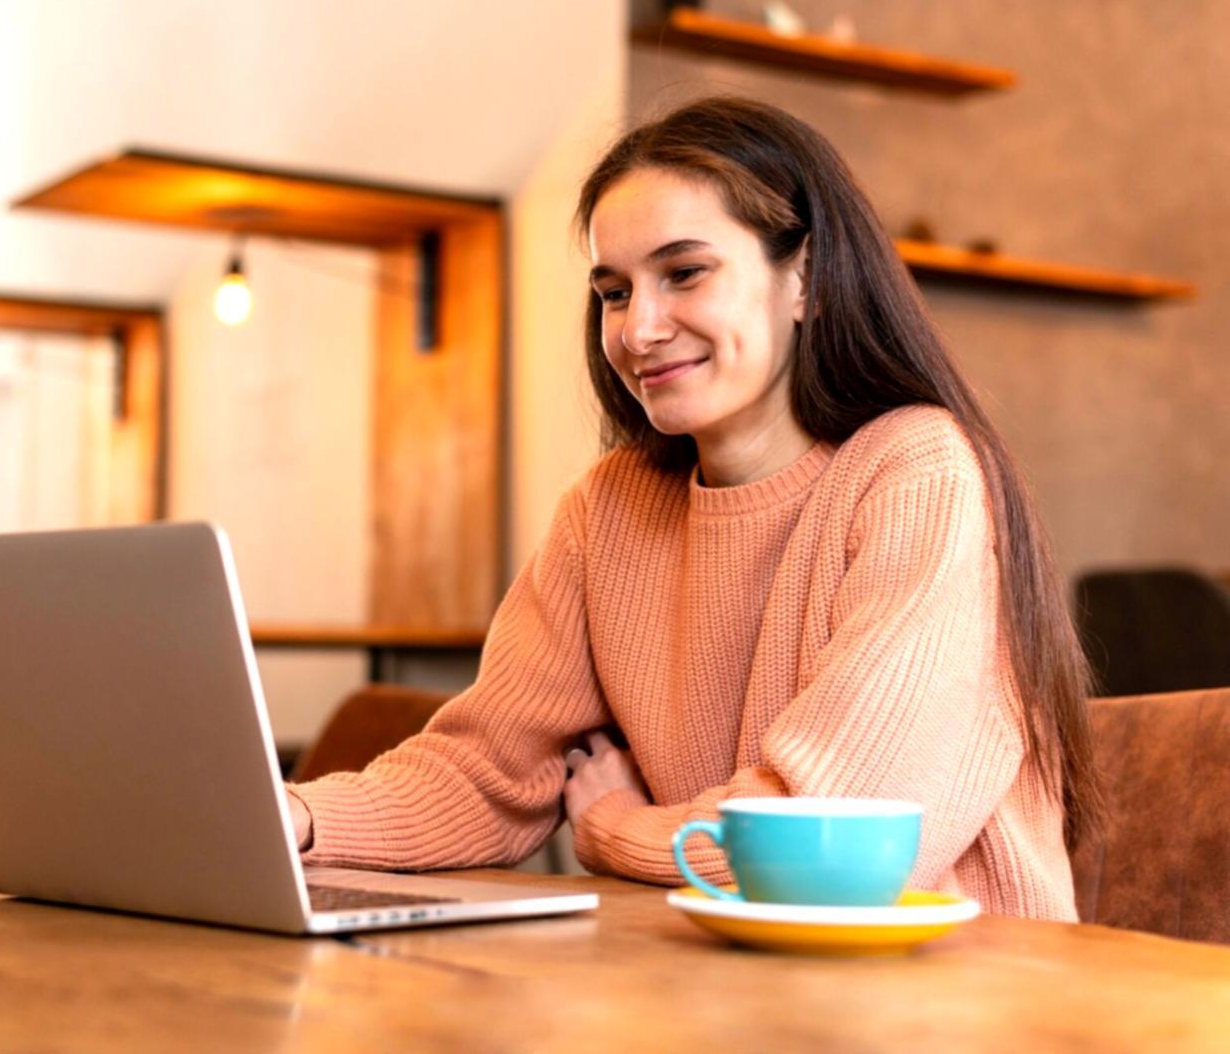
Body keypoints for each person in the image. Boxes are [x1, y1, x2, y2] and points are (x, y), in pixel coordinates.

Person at [285, 96, 1099, 920]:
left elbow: (826, 849)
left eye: (684, 273)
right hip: (726, 987)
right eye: (612, 291)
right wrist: (299, 816)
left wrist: (614, 827)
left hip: (962, 997)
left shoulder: (917, 470)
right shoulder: (607, 509)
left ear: (805, 279)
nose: (638, 329)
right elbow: (488, 773)